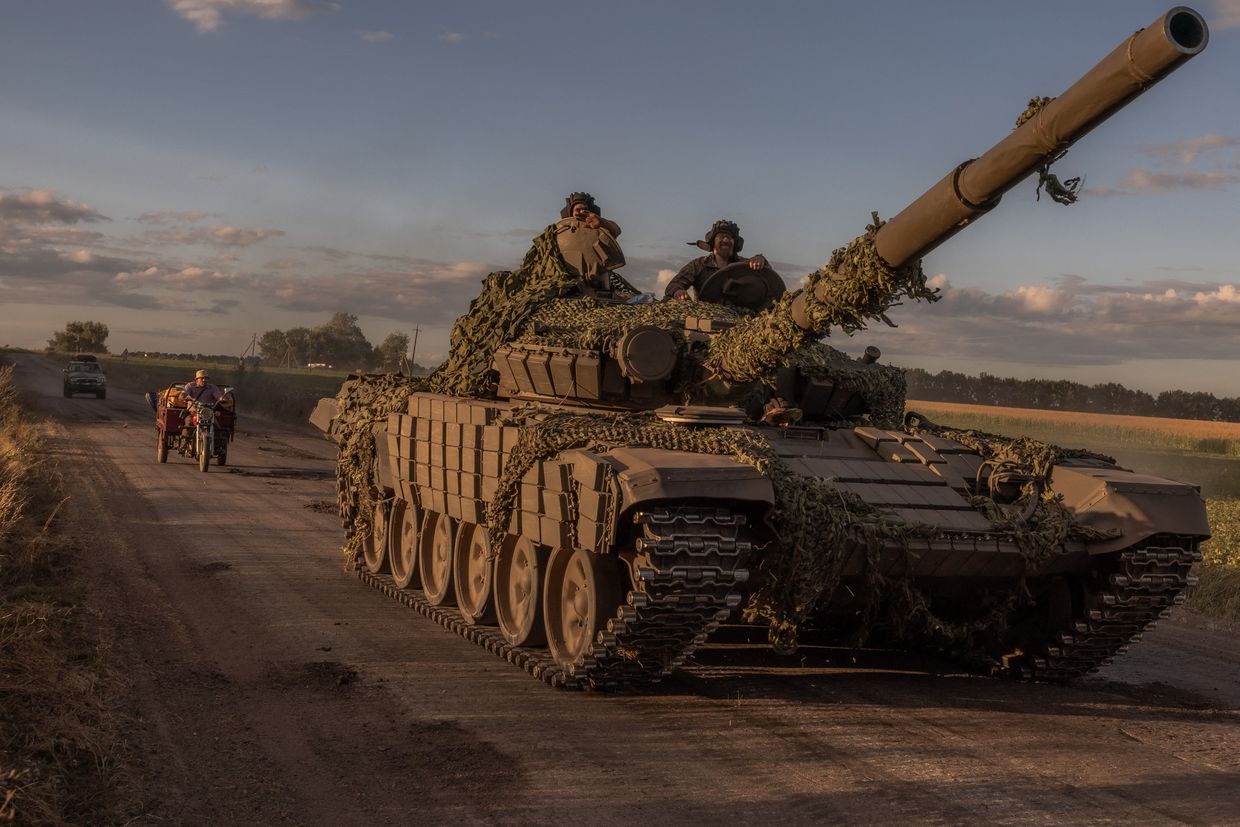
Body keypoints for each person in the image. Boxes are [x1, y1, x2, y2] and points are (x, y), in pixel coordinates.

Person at [664, 219, 769, 301]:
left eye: (730, 237)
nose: (726, 240)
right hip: (706, 317)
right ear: (713, 242)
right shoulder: (698, 265)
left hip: (739, 318)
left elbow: (769, 279)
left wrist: (761, 259)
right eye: (722, 236)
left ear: (735, 244)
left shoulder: (744, 266)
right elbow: (674, 285)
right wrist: (678, 291)